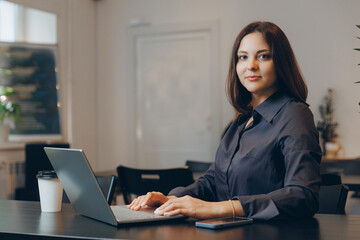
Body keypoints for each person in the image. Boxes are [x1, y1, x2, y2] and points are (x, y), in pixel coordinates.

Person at [128, 21, 322, 221]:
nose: (251, 66)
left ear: (281, 62)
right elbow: (213, 181)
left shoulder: (294, 114)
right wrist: (171, 199)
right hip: (230, 231)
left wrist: (220, 208)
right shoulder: (240, 122)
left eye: (263, 56)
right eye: (243, 57)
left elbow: (303, 196)